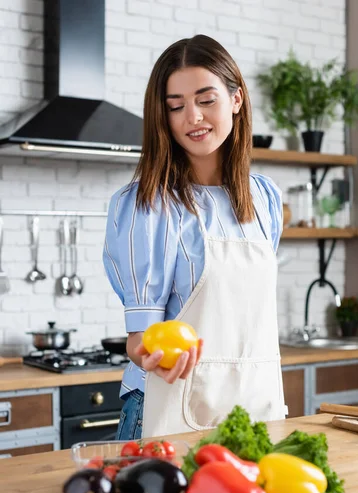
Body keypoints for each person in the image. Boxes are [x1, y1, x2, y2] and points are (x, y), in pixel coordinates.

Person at [103, 34, 286, 441]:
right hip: (170, 407)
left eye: (206, 100)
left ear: (236, 99)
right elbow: (141, 340)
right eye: (176, 106)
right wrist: (151, 357)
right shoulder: (148, 205)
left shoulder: (265, 199)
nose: (193, 117)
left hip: (255, 405)